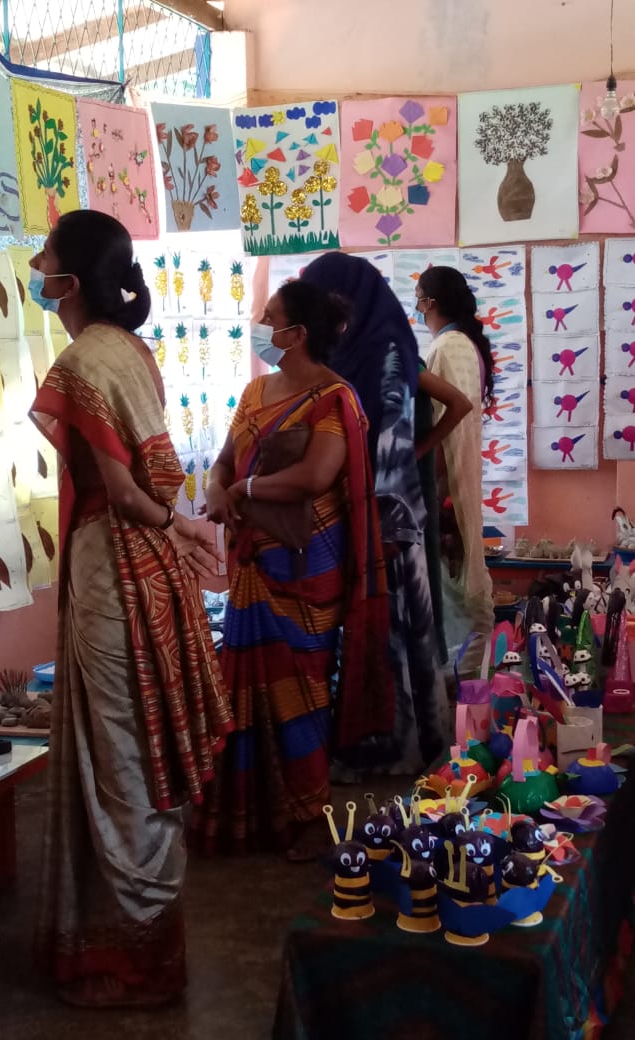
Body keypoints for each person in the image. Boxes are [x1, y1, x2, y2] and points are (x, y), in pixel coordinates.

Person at [29, 210, 233, 1008]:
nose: (38, 272)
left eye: (45, 260)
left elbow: (119, 490)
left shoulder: (81, 359)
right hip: (150, 571)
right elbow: (156, 476)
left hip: (113, 564)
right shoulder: (133, 351)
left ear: (70, 283)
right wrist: (177, 526)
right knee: (143, 750)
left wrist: (170, 520)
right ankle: (148, 948)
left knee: (113, 754)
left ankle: (125, 962)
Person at [201, 279, 393, 859]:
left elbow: (316, 475)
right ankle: (251, 813)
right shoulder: (257, 392)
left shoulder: (336, 398)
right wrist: (216, 487)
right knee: (244, 690)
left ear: (296, 334)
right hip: (254, 563)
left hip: (308, 566)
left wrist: (247, 486)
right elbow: (224, 460)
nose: (260, 322)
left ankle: (307, 815)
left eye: (269, 316)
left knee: (304, 692)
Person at [301, 253, 450, 774]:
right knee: (391, 630)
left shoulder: (386, 353)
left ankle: (393, 754)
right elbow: (454, 405)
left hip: (385, 513)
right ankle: (406, 743)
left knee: (391, 631)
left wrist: (403, 463)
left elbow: (390, 434)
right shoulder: (370, 346)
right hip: (376, 503)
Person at [415, 265, 495, 669]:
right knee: (463, 589)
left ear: (429, 303)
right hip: (458, 481)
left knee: (451, 589)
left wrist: (433, 491)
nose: (417, 308)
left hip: (445, 485)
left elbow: (446, 426)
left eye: (418, 299)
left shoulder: (444, 349)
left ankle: (459, 690)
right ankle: (469, 683)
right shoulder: (465, 345)